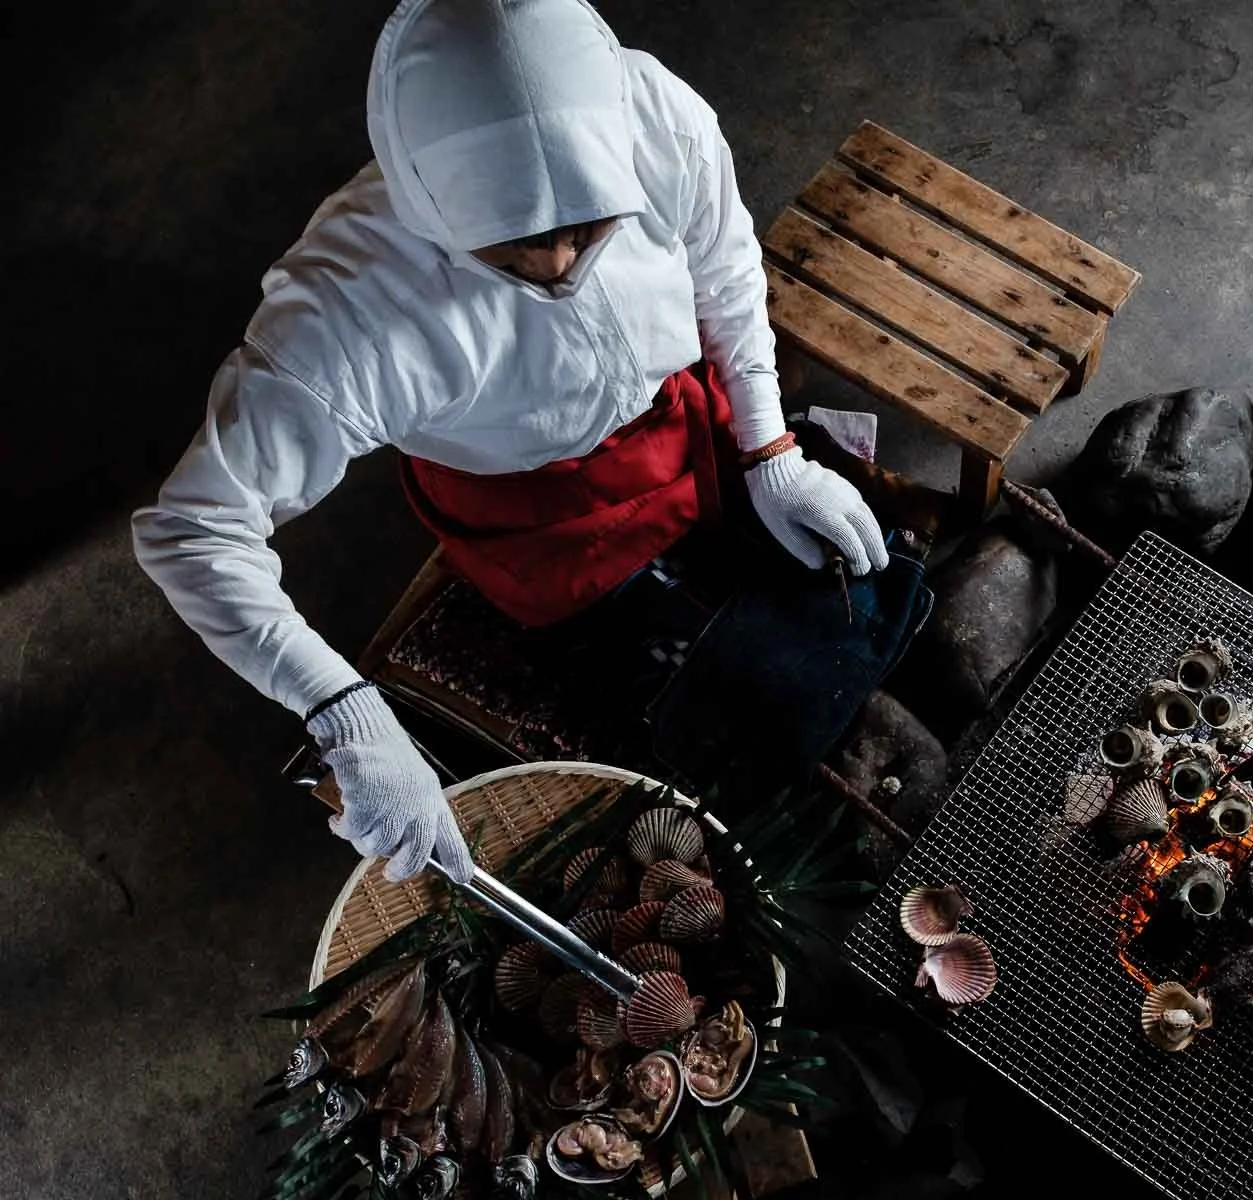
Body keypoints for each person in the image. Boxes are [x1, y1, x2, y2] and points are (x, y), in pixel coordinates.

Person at [131, 0, 888, 884]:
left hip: (681, 418)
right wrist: (342, 707)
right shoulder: (346, 313)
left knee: (860, 590)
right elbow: (193, 529)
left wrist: (768, 448)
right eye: (518, 247)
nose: (561, 265)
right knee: (715, 711)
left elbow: (722, 264)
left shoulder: (651, 114)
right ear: (431, 205)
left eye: (587, 228)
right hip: (540, 512)